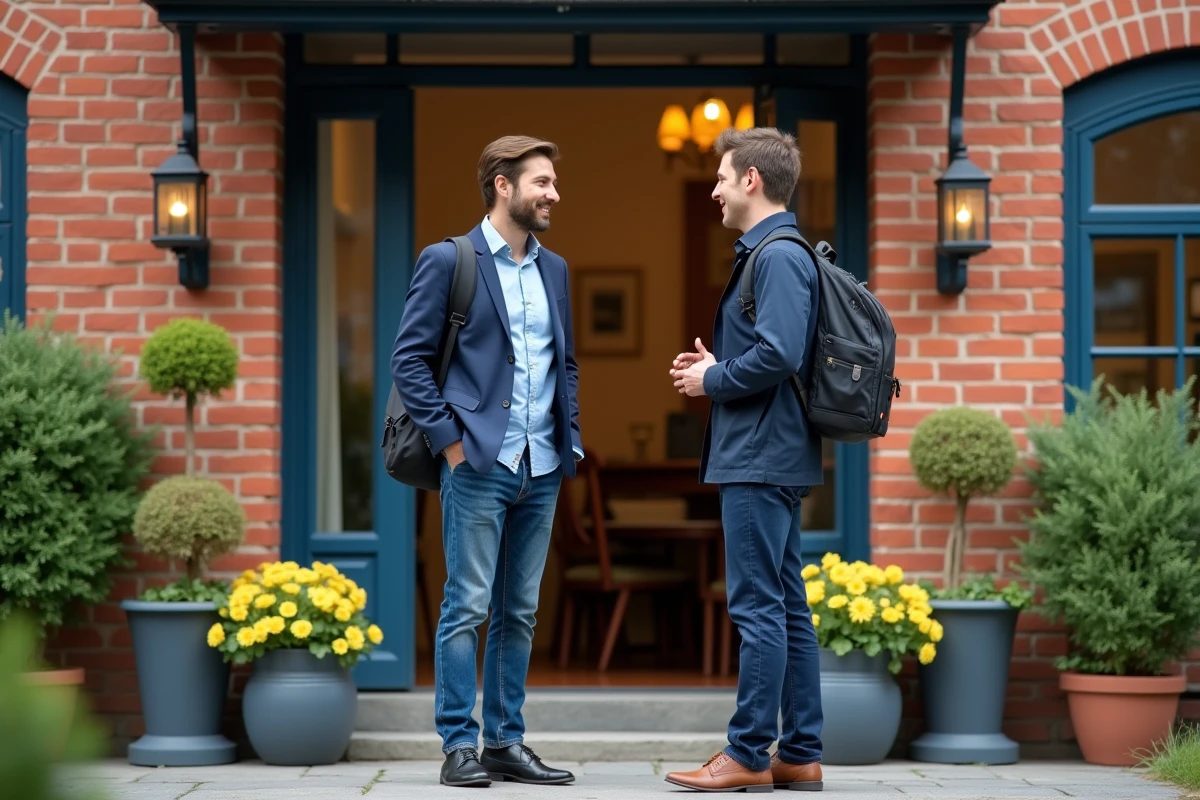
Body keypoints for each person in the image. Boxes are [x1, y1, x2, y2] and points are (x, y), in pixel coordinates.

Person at [391, 135, 583, 789]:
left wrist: (571, 437)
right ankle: (458, 745)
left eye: (553, 184)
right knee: (468, 605)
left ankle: (505, 741)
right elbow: (409, 361)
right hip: (476, 463)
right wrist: (450, 442)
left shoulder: (555, 269)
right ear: (504, 185)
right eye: (542, 183)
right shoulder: (451, 261)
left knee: (520, 610)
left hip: (544, 464)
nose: (553, 194)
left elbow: (566, 363)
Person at [665, 126, 825, 793]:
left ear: (752, 181)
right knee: (785, 606)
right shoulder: (773, 252)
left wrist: (713, 381)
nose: (716, 189)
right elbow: (775, 352)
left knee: (759, 607)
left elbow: (782, 353)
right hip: (770, 451)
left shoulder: (778, 255)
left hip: (759, 457)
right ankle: (800, 752)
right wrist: (721, 368)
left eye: (723, 177)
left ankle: (749, 753)